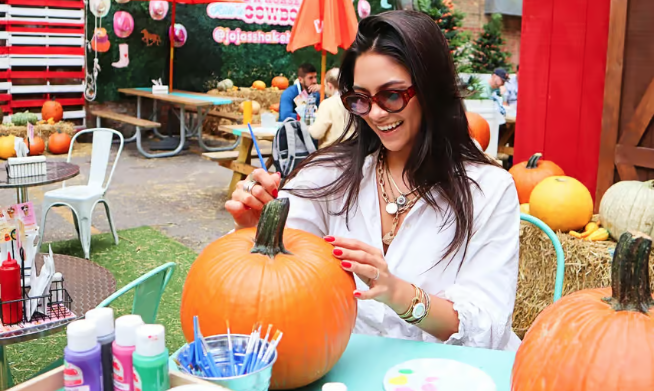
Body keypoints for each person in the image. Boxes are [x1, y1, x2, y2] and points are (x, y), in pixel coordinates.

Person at [226, 10, 520, 350]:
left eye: (392, 95)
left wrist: (399, 293)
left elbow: (487, 329)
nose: (376, 114)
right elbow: (277, 287)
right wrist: (255, 233)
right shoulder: (327, 176)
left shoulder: (489, 190)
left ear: (432, 91)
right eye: (361, 99)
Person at [309, 67, 353, 148]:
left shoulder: (327, 104)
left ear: (329, 86)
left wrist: (308, 128)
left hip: (331, 153)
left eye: (324, 86)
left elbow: (317, 134)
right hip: (353, 151)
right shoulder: (353, 101)